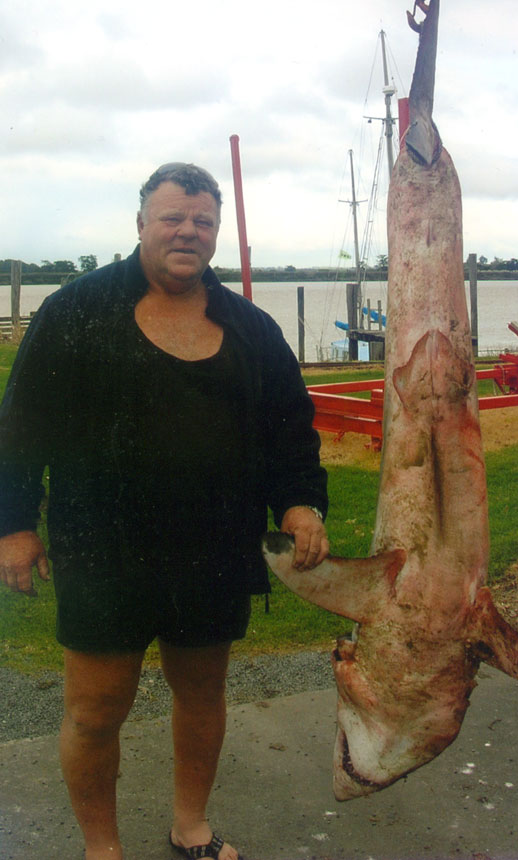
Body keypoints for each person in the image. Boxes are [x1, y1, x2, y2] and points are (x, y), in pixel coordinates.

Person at [0, 162, 329, 860]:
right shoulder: (77, 311)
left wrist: (301, 504)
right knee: (94, 711)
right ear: (142, 223)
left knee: (202, 695)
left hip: (214, 549)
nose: (188, 230)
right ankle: (102, 849)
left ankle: (191, 828)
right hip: (103, 548)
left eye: (203, 220)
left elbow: (290, 430)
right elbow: (21, 429)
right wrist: (15, 524)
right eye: (173, 216)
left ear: (216, 231)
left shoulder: (249, 327)